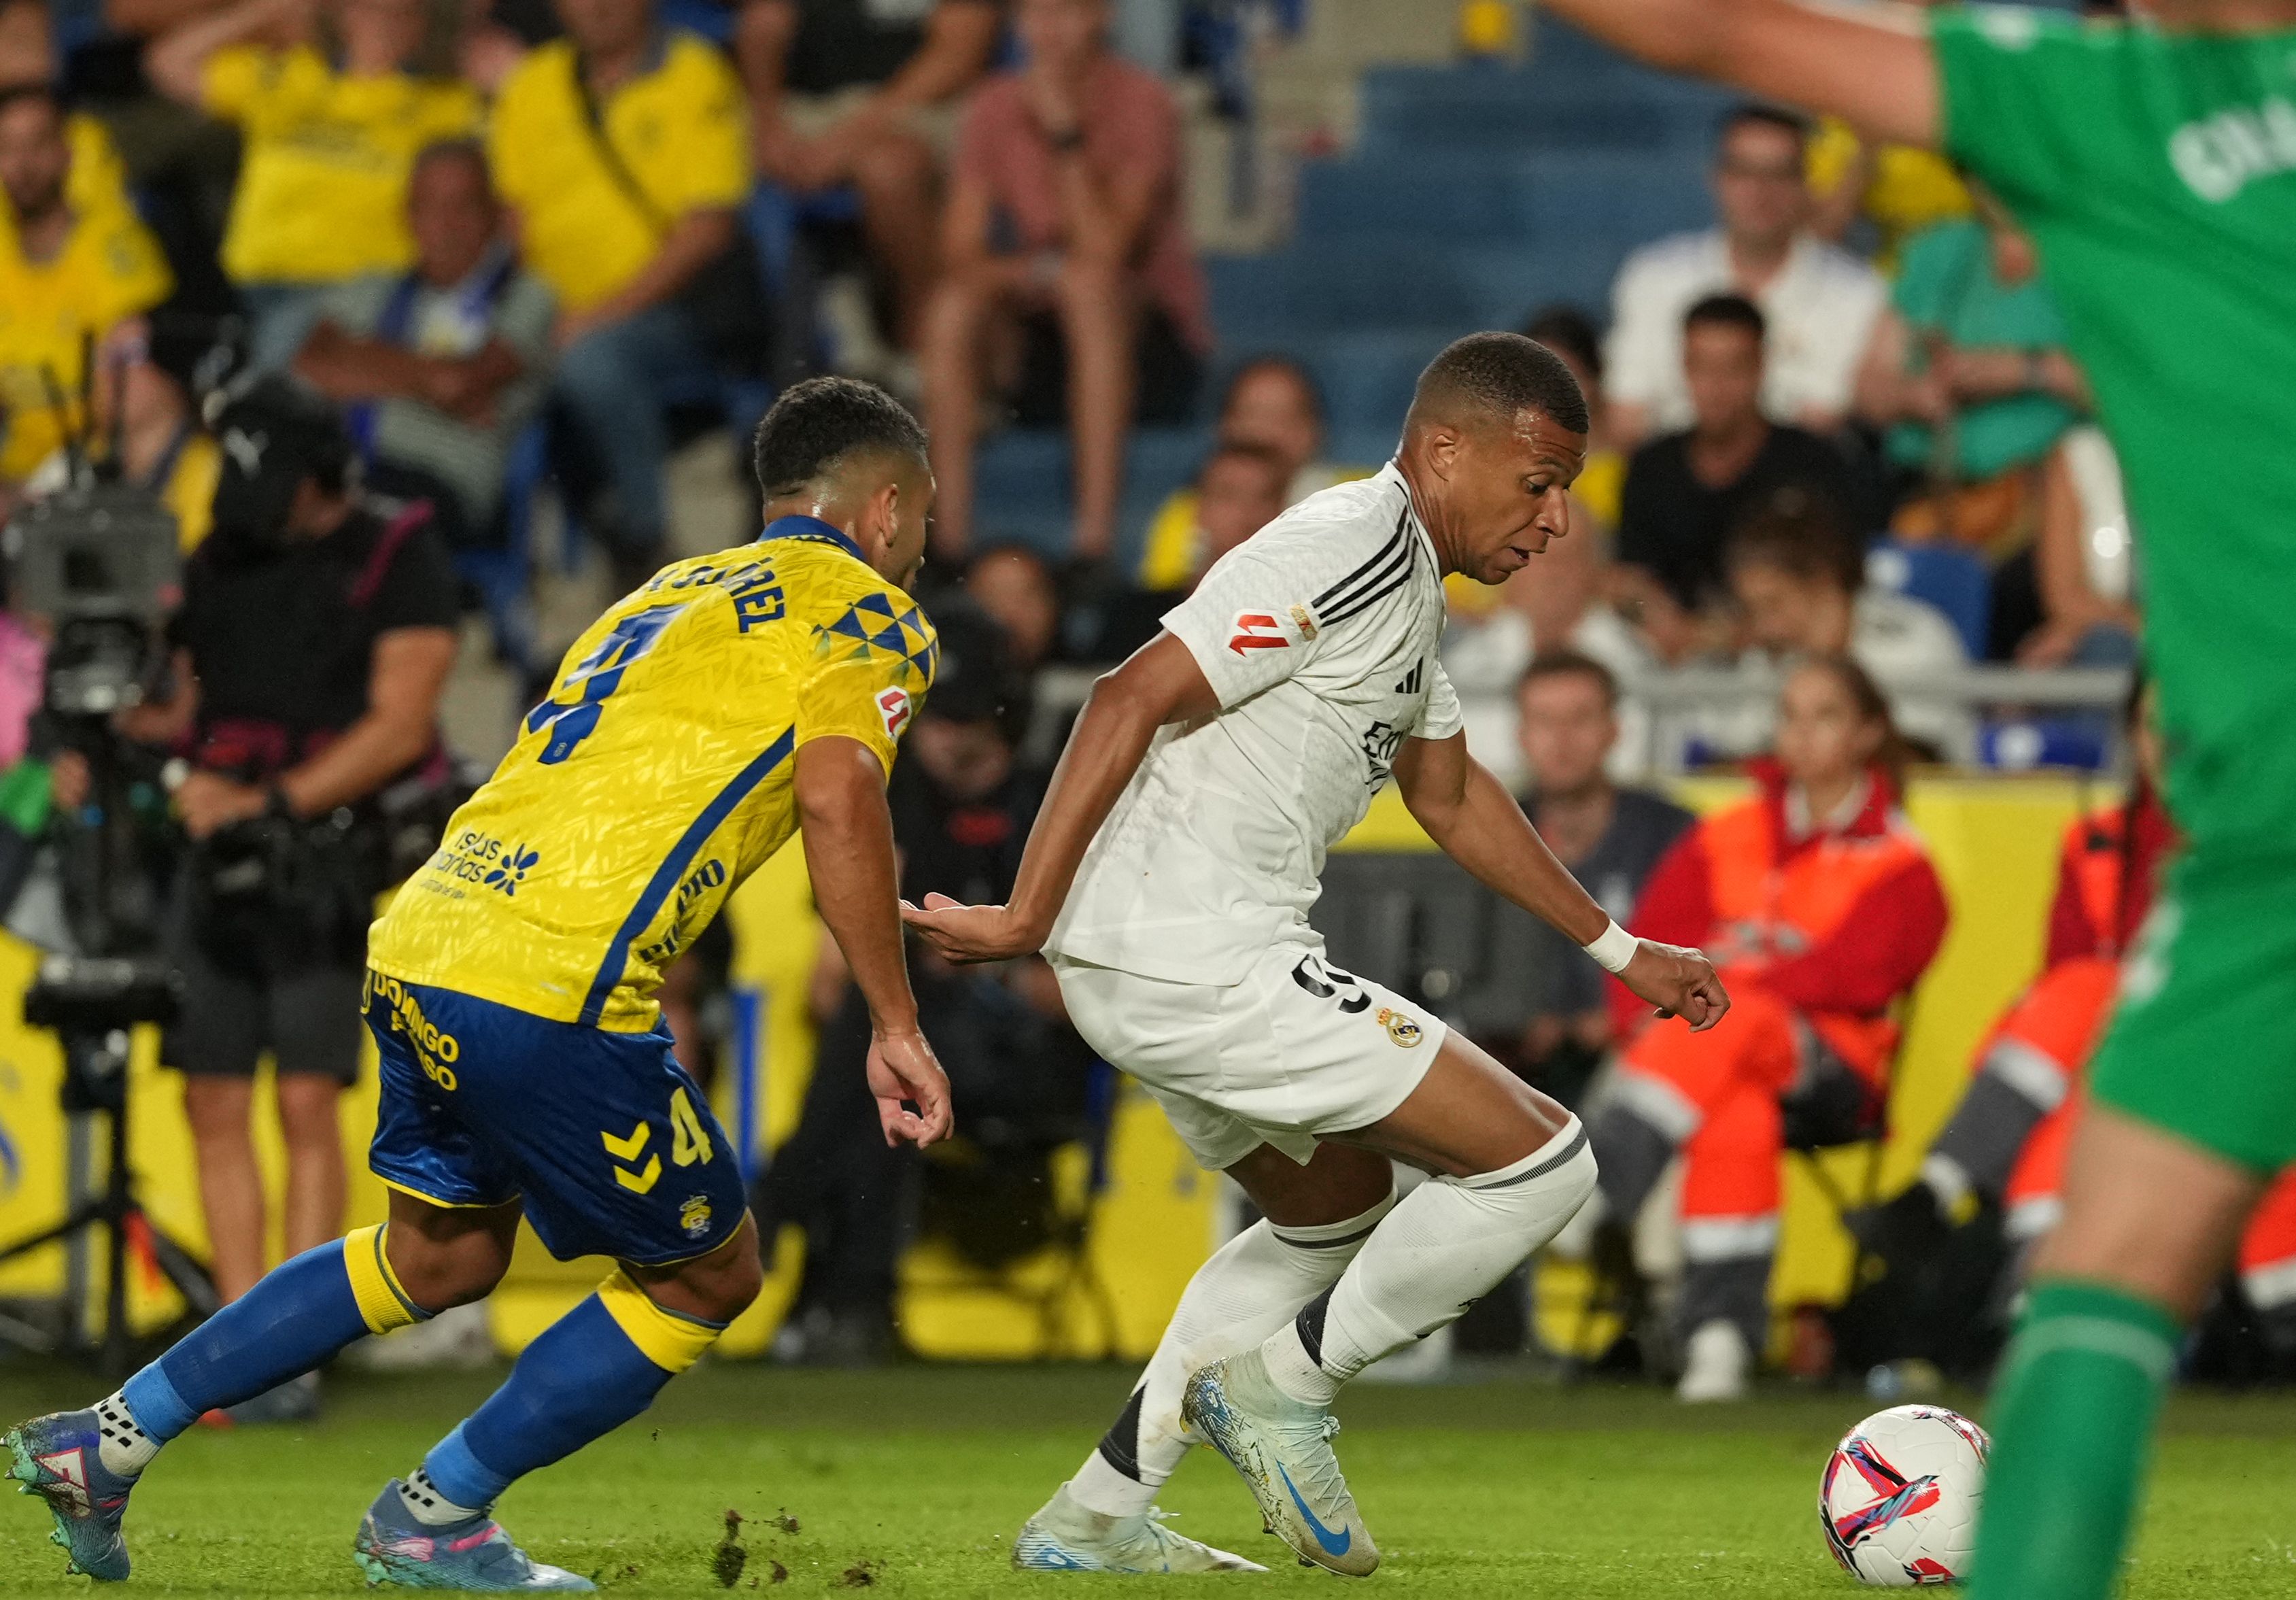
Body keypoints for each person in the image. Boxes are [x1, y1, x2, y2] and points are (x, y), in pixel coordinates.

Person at [1532, 3, 2296, 1590]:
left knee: (2104, 1282)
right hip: (2254, 845)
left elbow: (1701, 25)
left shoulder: (2098, 102)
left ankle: (1580, 1202)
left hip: (2267, 819)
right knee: (2097, 1260)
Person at [4, 377, 955, 1587]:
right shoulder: (871, 613)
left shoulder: (668, 591)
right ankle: (435, 1511)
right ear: (880, 509)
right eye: (921, 515)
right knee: (710, 1272)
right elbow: (839, 794)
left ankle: (108, 1437)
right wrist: (892, 1017)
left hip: (428, 934)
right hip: (552, 980)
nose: (924, 542)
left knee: (435, 1255)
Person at [904, 333, 1726, 1576]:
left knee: (1331, 1202)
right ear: (1448, 448)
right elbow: (1124, 693)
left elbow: (1448, 796)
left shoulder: (1406, 586)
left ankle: (1096, 1515)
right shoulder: (1345, 543)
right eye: (1541, 479)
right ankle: (1284, 1385)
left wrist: (1620, 949)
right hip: (1194, 950)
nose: (1557, 518)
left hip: (1146, 959)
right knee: (1546, 1162)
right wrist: (1022, 910)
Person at [48, 379, 459, 1423]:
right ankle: (238, 1352)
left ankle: (298, 1350)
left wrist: (270, 800)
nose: (240, 495)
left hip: (320, 853)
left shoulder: (397, 548)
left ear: (318, 478)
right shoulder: (221, 553)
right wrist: (112, 730)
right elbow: (187, 700)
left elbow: (404, 724)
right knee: (213, 1096)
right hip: (215, 848)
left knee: (307, 1099)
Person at [1586, 654, 1947, 1403]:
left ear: (1866, 733)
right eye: (1790, 715)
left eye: (1825, 716)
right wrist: (1654, 1024)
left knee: (1735, 1012)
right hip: (1713, 1063)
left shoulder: (1901, 861)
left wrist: (1728, 981)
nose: (1802, 733)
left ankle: (1593, 1186)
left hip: (1837, 1077)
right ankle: (1717, 1340)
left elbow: (1856, 978)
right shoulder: (1725, 835)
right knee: (1734, 1105)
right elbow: (1644, 953)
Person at [761, 604, 1066, 1366]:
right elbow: (827, 989)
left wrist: (979, 964)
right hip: (913, 1051)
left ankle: (782, 1203)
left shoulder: (1049, 807)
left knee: (900, 1033)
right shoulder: (898, 804)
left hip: (1028, 1055)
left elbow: (1086, 995)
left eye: (962, 715)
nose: (944, 734)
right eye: (933, 716)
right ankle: (852, 1305)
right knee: (887, 1066)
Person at [919, 0, 1210, 561]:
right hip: (1040, 334)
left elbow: (1106, 250)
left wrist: (1064, 136)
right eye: (1036, 15)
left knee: (1086, 287)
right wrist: (1027, 273)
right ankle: (948, 540)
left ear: (1099, 17)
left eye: (1066, 14)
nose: (1049, 32)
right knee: (954, 304)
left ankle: (1092, 541)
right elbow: (958, 250)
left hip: (1147, 340)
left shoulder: (1144, 102)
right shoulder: (993, 105)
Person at [488, 0, 752, 585]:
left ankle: (647, 534)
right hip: (553, 308)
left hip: (673, 311)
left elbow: (707, 231)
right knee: (462, 360)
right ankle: (489, 564)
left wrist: (594, 317)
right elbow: (513, 224)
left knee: (591, 359)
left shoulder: (694, 72)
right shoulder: (530, 85)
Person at [145, 0, 481, 371]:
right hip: (270, 281)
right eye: (368, 8)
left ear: (424, 25)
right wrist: (265, 13)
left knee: (307, 350)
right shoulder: (287, 76)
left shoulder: (446, 103)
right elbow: (167, 64)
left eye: (403, 11)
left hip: (375, 288)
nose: (384, 21)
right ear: (338, 13)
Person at [291, 139, 556, 547]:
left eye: (464, 206)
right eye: (430, 208)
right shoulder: (371, 288)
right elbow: (308, 364)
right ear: (408, 217)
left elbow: (463, 383)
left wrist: (358, 362)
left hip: (441, 485)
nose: (447, 225)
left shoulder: (525, 296)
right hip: (349, 468)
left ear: (494, 215)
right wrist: (431, 379)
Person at [732, 0, 1006, 362]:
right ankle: (801, 331)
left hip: (921, 104)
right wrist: (766, 121)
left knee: (890, 168)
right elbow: (763, 24)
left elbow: (958, 55)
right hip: (812, 107)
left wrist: (850, 136)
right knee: (720, 147)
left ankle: (923, 342)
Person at [1477, 651, 1694, 1103]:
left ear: (1614, 730)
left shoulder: (1671, 833)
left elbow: (1702, 958)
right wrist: (1511, 1020)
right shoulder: (1483, 833)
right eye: (1544, 720)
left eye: (1580, 718)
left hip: (1644, 1056)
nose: (1562, 739)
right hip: (1508, 1063)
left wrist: (1619, 1019)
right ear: (1520, 735)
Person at [1603, 103, 1886, 448]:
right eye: (1744, 172)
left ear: (1804, 184)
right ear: (1717, 179)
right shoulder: (1654, 278)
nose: (1760, 192)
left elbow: (1827, 426)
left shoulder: (1860, 293)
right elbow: (1626, 420)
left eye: (1778, 174)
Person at [1853, 190, 2088, 564]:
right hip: (1926, 498)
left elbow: (2130, 394)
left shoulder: (2092, 262)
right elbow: (1868, 389)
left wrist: (2022, 371)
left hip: (2046, 504)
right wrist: (1915, 395)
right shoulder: (1942, 248)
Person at [1614, 294, 1864, 617]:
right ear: (1684, 368)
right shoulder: (1651, 467)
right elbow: (1631, 576)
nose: (1716, 386)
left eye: (1733, 369)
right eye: (1702, 367)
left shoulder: (1814, 464)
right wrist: (1655, 616)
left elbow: (1835, 583)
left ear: (1762, 367)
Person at [0, 85, 171, 511]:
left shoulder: (112, 248)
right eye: (7, 148)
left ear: (66, 152)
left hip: (98, 463)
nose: (23, 166)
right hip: (15, 461)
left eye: (38, 145)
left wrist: (37, 493)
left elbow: (132, 394)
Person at [1723, 490, 1969, 760]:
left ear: (1822, 581)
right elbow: (1741, 757)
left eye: (1773, 604)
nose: (1763, 627)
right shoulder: (1765, 656)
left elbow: (1919, 759)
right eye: (1751, 610)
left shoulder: (1914, 638)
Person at [1137, 356, 1365, 590]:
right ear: (1224, 426)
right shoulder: (1186, 511)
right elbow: (1164, 602)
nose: (1268, 432)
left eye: (1285, 417)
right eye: (1254, 414)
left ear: (1315, 430)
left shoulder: (1364, 497)